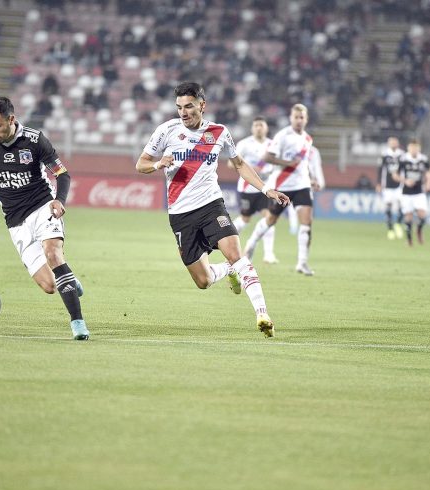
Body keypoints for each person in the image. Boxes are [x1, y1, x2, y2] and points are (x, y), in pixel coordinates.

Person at [135, 82, 289, 338]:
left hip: (211, 206)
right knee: (203, 281)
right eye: (179, 107)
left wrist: (266, 189)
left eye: (189, 106)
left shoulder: (219, 132)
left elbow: (239, 164)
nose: (183, 113)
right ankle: (227, 270)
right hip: (180, 215)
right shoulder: (166, 130)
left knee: (237, 255)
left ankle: (263, 314)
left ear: (202, 105)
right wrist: (158, 164)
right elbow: (141, 164)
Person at [0, 97, 90, 340]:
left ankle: (78, 323)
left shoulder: (34, 140)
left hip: (42, 207)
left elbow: (62, 174)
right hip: (14, 220)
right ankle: (69, 281)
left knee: (53, 254)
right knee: (49, 286)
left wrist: (59, 200)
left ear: (11, 119)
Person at [243, 104, 318, 276]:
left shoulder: (308, 139)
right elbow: (267, 157)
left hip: (302, 185)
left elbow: (304, 163)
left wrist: (312, 178)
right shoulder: (283, 136)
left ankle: (302, 263)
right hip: (283, 185)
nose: (299, 120)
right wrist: (287, 163)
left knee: (307, 223)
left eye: (302, 117)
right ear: (291, 118)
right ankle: (251, 244)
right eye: (296, 117)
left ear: (306, 119)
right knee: (270, 220)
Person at [229, 116, 279, 264]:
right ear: (252, 128)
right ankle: (225, 239)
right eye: (256, 125)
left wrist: (269, 170)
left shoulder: (272, 145)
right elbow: (232, 164)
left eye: (261, 125)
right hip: (247, 187)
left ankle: (268, 254)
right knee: (245, 218)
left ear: (266, 128)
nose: (258, 128)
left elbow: (277, 164)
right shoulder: (244, 144)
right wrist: (250, 169)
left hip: (265, 188)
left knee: (269, 217)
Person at [398, 139, 430, 246]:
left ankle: (418, 230)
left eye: (416, 148)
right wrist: (405, 181)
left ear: (419, 148)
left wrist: (428, 183)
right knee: (408, 217)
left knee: (422, 216)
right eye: (412, 147)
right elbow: (395, 174)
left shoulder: (423, 159)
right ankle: (409, 240)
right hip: (406, 192)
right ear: (408, 148)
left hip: (419, 192)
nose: (414, 150)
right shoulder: (403, 159)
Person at [375, 136, 404, 240]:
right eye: (391, 142)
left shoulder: (402, 155)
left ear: (398, 143)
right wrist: (378, 183)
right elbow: (380, 170)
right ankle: (390, 229)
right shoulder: (384, 155)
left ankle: (398, 224)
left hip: (400, 185)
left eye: (395, 142)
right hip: (387, 185)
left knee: (403, 206)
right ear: (388, 144)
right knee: (388, 207)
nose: (393, 144)